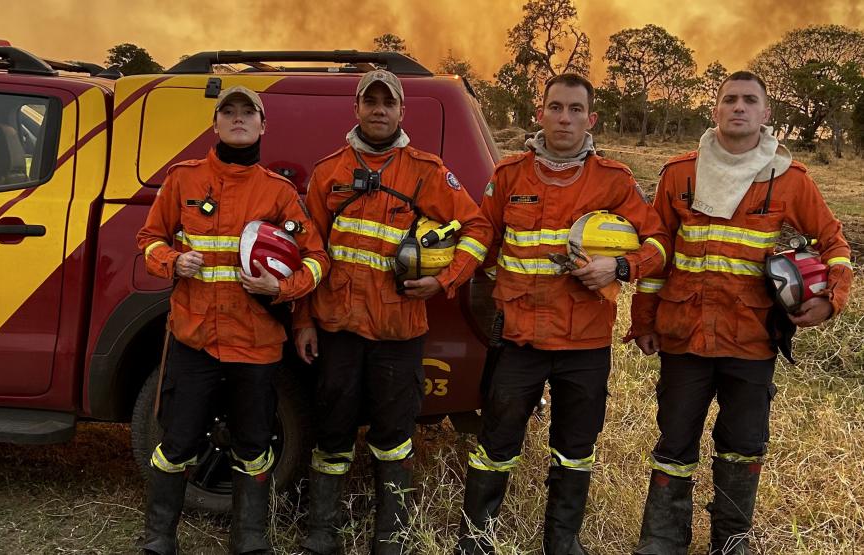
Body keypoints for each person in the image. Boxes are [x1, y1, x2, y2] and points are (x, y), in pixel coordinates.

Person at [628, 71, 853, 554]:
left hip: (750, 339)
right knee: (674, 445)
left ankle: (730, 545)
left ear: (766, 114)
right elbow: (656, 250)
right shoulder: (678, 174)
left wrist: (831, 298)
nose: (739, 107)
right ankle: (661, 543)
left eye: (750, 100)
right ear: (714, 110)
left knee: (743, 445)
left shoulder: (790, 180)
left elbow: (835, 244)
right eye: (729, 99)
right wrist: (643, 321)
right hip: (682, 335)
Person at [455, 73, 670, 555]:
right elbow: (480, 239)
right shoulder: (508, 175)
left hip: (585, 344)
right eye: (556, 107)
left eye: (575, 109)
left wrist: (618, 265)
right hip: (519, 339)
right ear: (540, 114)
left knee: (576, 449)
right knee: (496, 443)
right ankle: (475, 539)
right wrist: (447, 276)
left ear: (591, 119)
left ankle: (562, 541)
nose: (565, 118)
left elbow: (657, 242)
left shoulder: (614, 182)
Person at [293, 69, 492, 555]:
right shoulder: (329, 172)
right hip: (337, 328)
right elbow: (309, 252)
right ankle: (322, 533)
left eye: (388, 102)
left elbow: (478, 227)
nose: (379, 110)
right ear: (356, 108)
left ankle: (393, 535)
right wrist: (302, 320)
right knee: (332, 434)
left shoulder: (426, 170)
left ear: (402, 111)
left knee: (394, 437)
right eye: (370, 101)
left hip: (399, 332)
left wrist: (445, 280)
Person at [136, 85, 329, 555]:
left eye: (249, 113)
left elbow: (317, 258)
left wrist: (280, 289)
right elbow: (148, 240)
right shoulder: (182, 180)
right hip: (194, 336)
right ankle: (159, 537)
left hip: (256, 342)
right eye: (230, 112)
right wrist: (171, 261)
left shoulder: (279, 192)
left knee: (254, 441)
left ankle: (249, 538)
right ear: (215, 124)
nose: (238, 120)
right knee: (176, 441)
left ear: (263, 126)